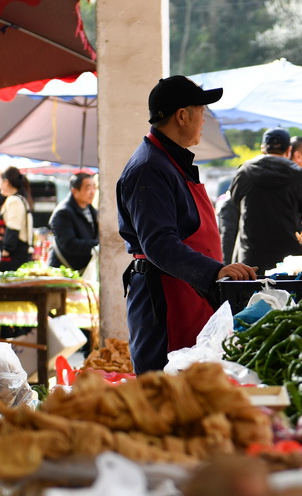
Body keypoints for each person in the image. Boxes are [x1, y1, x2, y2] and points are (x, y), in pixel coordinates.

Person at [118, 75, 257, 373]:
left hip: (188, 293)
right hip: (165, 302)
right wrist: (215, 270)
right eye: (202, 110)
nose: (204, 120)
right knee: (165, 393)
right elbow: (159, 243)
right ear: (182, 116)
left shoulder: (169, 161)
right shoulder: (149, 169)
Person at [229, 127, 302, 273]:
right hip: (288, 260)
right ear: (289, 150)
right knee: (288, 296)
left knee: (251, 295)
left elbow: (235, 202)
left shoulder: (244, 171)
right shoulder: (299, 174)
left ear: (263, 148)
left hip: (251, 257)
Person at [48, 172, 99, 273]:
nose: (92, 192)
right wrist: (98, 245)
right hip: (63, 272)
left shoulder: (92, 211)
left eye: (94, 187)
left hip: (84, 272)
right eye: (88, 188)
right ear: (74, 191)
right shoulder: (62, 213)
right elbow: (70, 245)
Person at [0, 165, 34, 272]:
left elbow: (13, 227)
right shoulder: (18, 199)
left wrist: (6, 251)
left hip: (16, 255)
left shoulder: (14, 200)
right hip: (19, 253)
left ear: (5, 182)